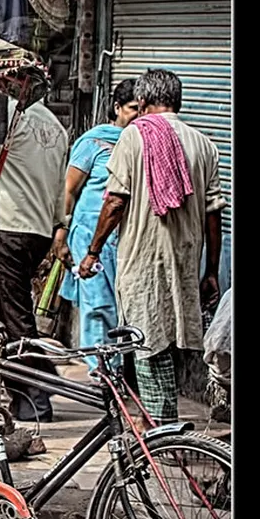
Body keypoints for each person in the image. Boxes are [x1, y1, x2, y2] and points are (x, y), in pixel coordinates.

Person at [80, 69, 226, 425]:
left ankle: (161, 433)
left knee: (148, 347)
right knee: (168, 344)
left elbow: (115, 202)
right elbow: (213, 216)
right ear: (178, 101)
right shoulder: (203, 143)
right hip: (185, 262)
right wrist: (210, 271)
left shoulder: (134, 137)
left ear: (143, 102)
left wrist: (93, 251)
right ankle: (161, 425)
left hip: (144, 263)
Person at [52, 79, 140, 375]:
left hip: (124, 239)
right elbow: (68, 190)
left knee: (119, 308)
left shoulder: (140, 144)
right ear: (116, 108)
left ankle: (114, 369)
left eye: (143, 110)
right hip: (90, 235)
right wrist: (61, 232)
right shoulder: (94, 141)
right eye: (132, 109)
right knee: (96, 306)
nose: (137, 116)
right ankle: (100, 373)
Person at [0, 95, 69, 422]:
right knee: (16, 313)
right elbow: (58, 189)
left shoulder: (6, 114)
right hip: (38, 229)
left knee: (15, 320)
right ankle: (43, 374)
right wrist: (56, 225)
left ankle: (33, 398)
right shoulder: (55, 125)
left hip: (10, 224)